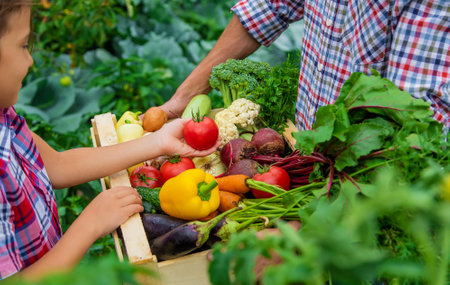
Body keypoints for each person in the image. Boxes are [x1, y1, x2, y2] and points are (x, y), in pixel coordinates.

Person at [0, 1, 218, 280]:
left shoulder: (5, 116)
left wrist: (158, 142)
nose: (30, 60)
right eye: (22, 45)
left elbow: (56, 164)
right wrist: (89, 224)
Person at [160, 0, 449, 132]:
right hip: (305, 150)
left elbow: (412, 121)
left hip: (365, 188)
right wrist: (185, 96)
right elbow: (270, 6)